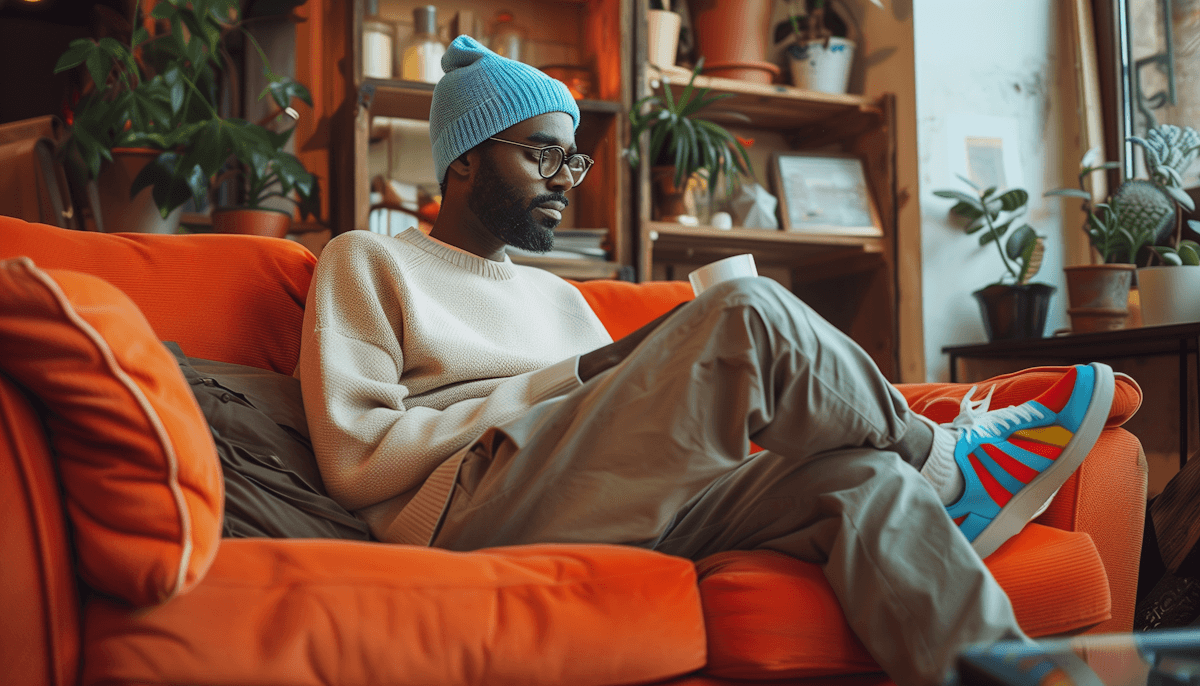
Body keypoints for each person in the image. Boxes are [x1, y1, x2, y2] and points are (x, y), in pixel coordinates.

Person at [297, 35, 1116, 686]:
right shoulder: (370, 259)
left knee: (863, 480)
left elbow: (614, 430)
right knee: (746, 309)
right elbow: (356, 459)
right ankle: (941, 457)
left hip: (620, 502)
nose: (564, 181)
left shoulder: (560, 295)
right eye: (542, 155)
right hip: (473, 507)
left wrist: (620, 378)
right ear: (465, 158)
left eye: (572, 160)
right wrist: (573, 378)